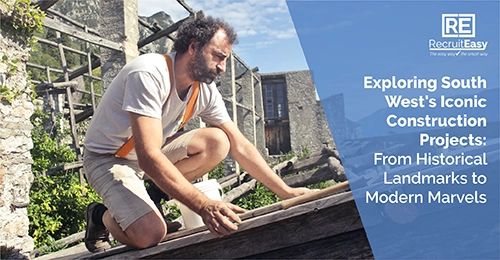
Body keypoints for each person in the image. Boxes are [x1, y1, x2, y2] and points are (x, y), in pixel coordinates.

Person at [82, 15, 314, 253]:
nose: (223, 67)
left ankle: (151, 197)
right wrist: (204, 205)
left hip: (148, 155)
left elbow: (240, 145)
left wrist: (287, 191)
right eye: (219, 57)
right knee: (150, 234)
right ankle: (101, 216)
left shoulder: (204, 90)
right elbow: (149, 157)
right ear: (193, 47)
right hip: (109, 159)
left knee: (218, 141)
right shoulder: (148, 73)